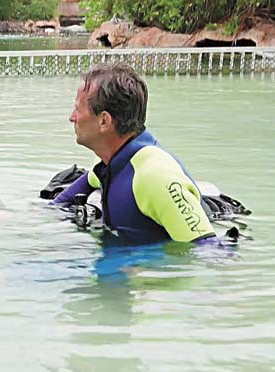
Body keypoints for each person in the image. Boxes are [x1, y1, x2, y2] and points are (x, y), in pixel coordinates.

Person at [53, 62, 216, 244]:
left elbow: (210, 252)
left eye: (77, 109)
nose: (71, 117)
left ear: (104, 121)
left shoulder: (155, 176)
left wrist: (139, 262)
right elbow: (69, 195)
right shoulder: (108, 162)